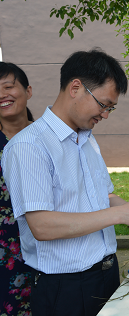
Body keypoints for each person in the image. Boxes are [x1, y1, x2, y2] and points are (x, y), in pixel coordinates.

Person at [1, 49, 129, 316]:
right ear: (76, 87)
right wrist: (118, 213)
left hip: (105, 274)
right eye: (104, 105)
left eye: (111, 108)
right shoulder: (29, 146)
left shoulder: (85, 137)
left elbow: (103, 196)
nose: (106, 115)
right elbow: (41, 225)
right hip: (66, 288)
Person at [0, 62, 34, 315]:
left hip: (49, 244)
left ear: (28, 91)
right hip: (4, 252)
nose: (2, 95)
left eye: (8, 86)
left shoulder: (49, 137)